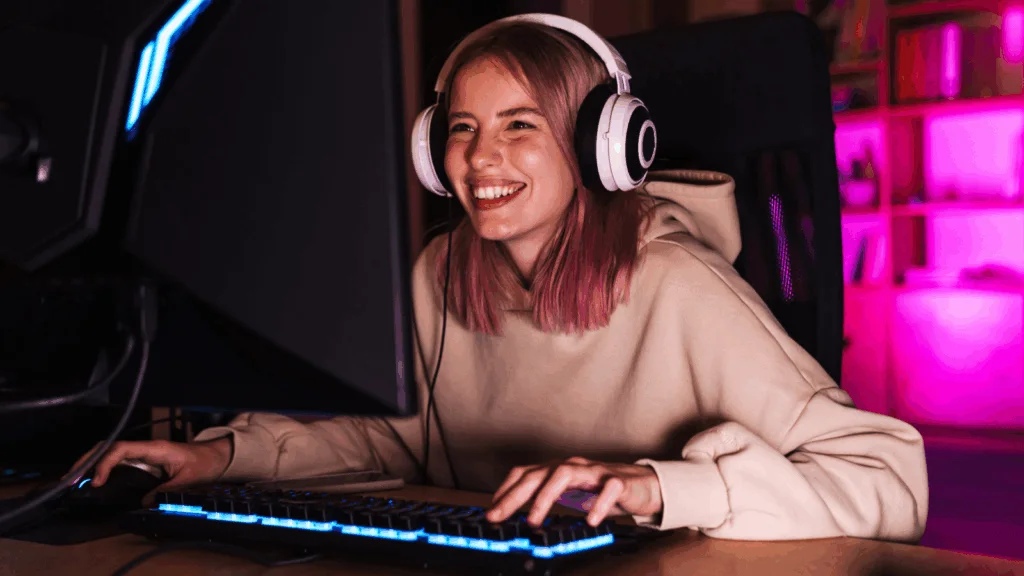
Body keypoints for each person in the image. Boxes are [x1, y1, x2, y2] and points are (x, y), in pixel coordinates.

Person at [74, 15, 928, 542]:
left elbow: (888, 480)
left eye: (520, 125)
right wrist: (217, 457)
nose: (482, 157)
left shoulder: (682, 287)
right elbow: (389, 443)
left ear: (601, 146)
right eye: (462, 129)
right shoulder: (441, 272)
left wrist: (659, 487)